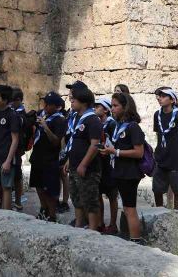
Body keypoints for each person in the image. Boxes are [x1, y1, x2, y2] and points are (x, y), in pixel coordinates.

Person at [102, 91, 146, 244]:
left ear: (125, 107)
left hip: (129, 173)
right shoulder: (119, 125)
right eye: (112, 105)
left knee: (129, 208)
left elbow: (139, 152)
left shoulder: (133, 127)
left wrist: (115, 151)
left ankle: (136, 240)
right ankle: (132, 237)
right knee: (126, 208)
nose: (112, 109)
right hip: (120, 172)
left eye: (115, 106)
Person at [62, 84, 102, 230]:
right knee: (76, 197)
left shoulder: (92, 120)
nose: (71, 102)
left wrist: (84, 164)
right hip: (74, 164)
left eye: (74, 100)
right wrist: (68, 160)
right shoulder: (77, 118)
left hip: (88, 169)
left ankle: (93, 228)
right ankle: (79, 224)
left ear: (84, 102)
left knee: (89, 199)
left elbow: (94, 145)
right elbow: (75, 142)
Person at [29, 92, 67, 222]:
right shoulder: (42, 114)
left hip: (50, 159)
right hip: (37, 156)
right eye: (45, 103)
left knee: (49, 188)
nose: (45, 106)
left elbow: (56, 141)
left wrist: (45, 127)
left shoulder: (60, 120)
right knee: (38, 185)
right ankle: (43, 209)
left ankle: (52, 215)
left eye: (48, 104)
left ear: (57, 107)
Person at [152, 87, 178, 210]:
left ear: (172, 100)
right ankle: (158, 212)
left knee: (177, 190)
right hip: (160, 158)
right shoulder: (156, 115)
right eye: (159, 96)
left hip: (175, 160)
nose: (159, 98)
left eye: (163, 96)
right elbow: (159, 134)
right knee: (157, 189)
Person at [95, 97, 119, 234]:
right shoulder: (98, 123)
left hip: (109, 164)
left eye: (98, 106)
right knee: (98, 194)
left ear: (105, 109)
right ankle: (100, 222)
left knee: (111, 195)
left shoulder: (112, 124)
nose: (95, 108)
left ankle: (113, 224)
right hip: (99, 164)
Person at [10, 87, 28, 211]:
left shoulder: (21, 114)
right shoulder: (13, 111)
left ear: (18, 100)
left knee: (17, 175)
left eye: (12, 101)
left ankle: (18, 201)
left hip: (16, 149)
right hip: (8, 147)